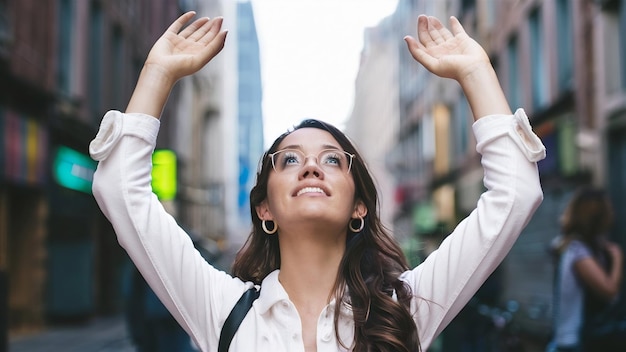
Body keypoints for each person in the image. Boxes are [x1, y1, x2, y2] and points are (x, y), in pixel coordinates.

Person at [88, 11, 545, 352]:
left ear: (358, 206)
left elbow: (515, 194)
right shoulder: (222, 308)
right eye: (288, 160)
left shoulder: (402, 309)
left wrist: (476, 71)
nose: (310, 168)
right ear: (264, 207)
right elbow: (120, 192)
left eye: (332, 159)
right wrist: (158, 73)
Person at [548, 187, 624, 352]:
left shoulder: (583, 246)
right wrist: (618, 257)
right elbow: (609, 290)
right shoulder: (578, 250)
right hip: (574, 341)